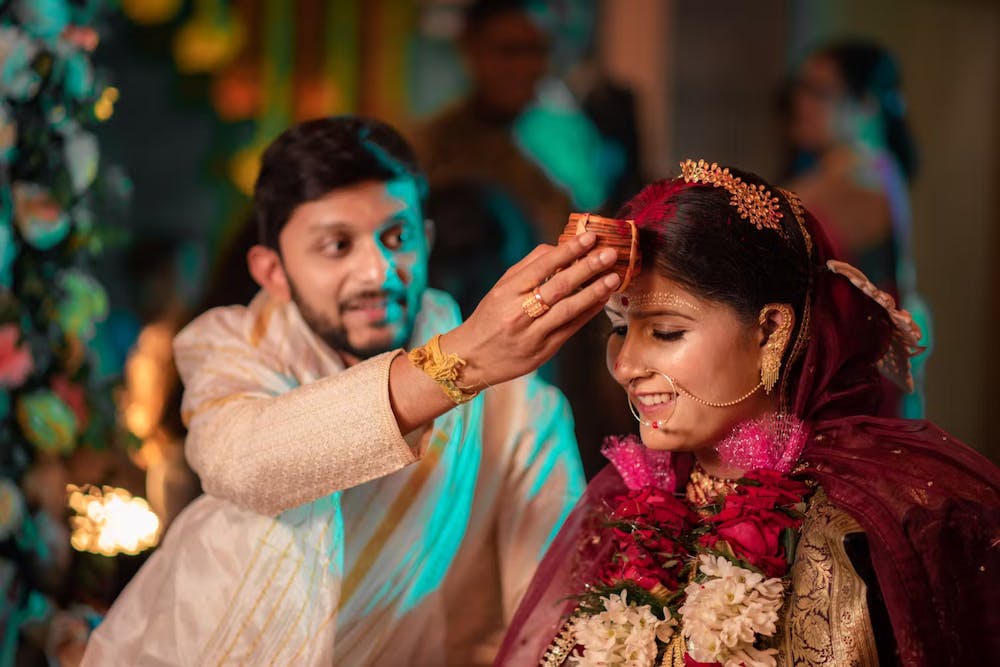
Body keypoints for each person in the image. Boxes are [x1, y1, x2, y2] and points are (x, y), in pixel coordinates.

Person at [80, 116, 626, 665]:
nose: (378, 271)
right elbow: (242, 462)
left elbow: (552, 608)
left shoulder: (515, 401)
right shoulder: (231, 344)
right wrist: (459, 364)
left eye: (397, 237)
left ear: (426, 240)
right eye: (337, 245)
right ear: (273, 271)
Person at [496, 161, 999, 666]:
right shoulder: (621, 516)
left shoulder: (872, 533)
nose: (626, 364)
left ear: (770, 330)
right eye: (620, 328)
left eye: (665, 332)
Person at [786, 39, 930, 417]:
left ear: (866, 104)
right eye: (800, 89)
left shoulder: (867, 178)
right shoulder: (861, 173)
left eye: (819, 92)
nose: (801, 103)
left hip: (857, 381)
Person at [412, 0, 571, 242]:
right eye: (509, 51)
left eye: (537, 51)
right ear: (470, 51)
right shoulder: (430, 149)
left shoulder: (552, 140)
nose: (528, 67)